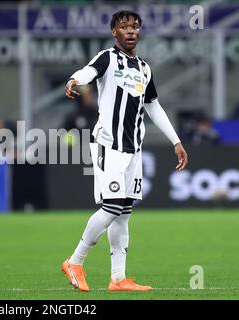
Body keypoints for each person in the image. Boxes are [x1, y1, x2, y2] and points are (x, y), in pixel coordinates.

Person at [63, 10, 188, 292]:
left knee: (124, 211)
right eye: (124, 27)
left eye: (135, 27)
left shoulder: (144, 68)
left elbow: (152, 105)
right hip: (109, 144)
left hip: (133, 149)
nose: (131, 31)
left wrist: (176, 141)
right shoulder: (108, 57)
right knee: (112, 207)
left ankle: (118, 279)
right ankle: (75, 261)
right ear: (114, 32)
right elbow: (89, 71)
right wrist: (74, 80)